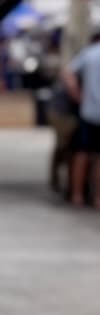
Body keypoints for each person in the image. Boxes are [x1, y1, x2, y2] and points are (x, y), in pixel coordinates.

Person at [62, 31, 100, 208]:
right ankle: (97, 197)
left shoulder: (89, 54)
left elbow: (67, 73)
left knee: (82, 154)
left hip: (89, 111)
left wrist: (77, 94)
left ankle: (77, 195)